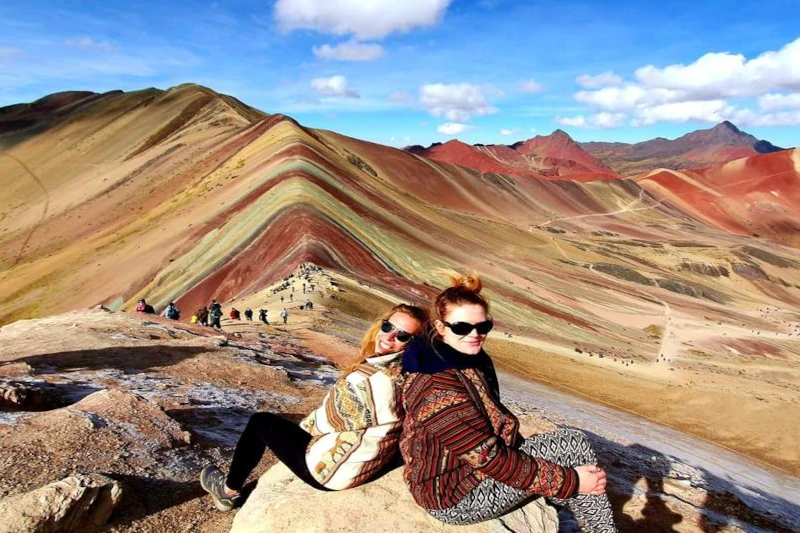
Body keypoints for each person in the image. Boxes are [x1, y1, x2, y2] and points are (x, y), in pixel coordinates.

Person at [401, 272, 616, 532]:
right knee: (574, 449)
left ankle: (578, 514)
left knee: (573, 444)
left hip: (469, 474)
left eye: (483, 327)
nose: (474, 334)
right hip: (456, 495)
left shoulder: (460, 359)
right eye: (461, 327)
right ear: (439, 327)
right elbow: (489, 459)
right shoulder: (437, 387)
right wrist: (572, 481)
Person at [199, 303, 429, 511]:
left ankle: (228, 491)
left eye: (402, 336)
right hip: (374, 459)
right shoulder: (408, 371)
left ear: (414, 343)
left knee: (261, 423)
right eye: (388, 326)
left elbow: (324, 422)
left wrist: (301, 433)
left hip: (335, 473)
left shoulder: (368, 380)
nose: (388, 337)